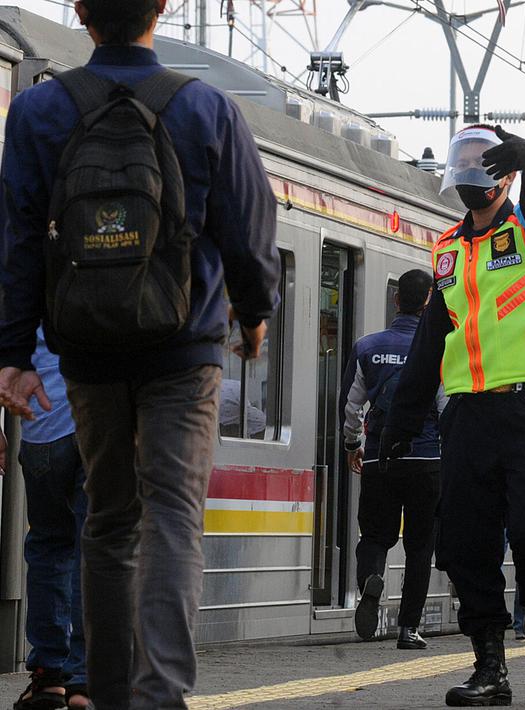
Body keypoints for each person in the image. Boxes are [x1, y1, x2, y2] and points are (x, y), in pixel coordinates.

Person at [0, 1, 281, 706]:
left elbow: (19, 241)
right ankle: (160, 694)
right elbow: (249, 230)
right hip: (183, 348)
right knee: (174, 516)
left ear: (81, 14)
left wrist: (12, 352)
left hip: (87, 349)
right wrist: (253, 315)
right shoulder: (206, 109)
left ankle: (110, 691)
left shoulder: (37, 114)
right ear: (160, 9)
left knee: (109, 518)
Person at [379, 124, 525, 706]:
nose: (472, 171)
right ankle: (489, 667)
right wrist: (399, 423)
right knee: (466, 545)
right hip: (467, 416)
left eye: (484, 161)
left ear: (504, 173)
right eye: (464, 159)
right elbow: (430, 341)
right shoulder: (447, 251)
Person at [340, 269, 442, 649]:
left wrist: (353, 446)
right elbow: (447, 406)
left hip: (380, 455)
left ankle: (370, 578)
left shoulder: (368, 347)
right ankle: (408, 628)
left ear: (396, 300)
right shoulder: (440, 347)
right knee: (419, 544)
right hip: (426, 456)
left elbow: (351, 405)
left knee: (375, 534)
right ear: (429, 300)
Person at [12, 332, 90, 710]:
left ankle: (48, 677)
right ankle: (86, 676)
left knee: (48, 545)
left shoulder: (23, 274)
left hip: (41, 427)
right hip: (100, 422)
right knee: (95, 548)